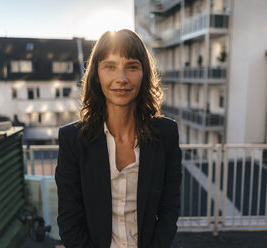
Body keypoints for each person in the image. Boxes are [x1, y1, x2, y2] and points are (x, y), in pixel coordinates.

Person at [55, 29, 182, 248]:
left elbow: (169, 209)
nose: (121, 79)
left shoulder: (166, 133)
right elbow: (70, 220)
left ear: (144, 74)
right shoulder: (72, 140)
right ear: (97, 74)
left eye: (132, 66)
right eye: (110, 67)